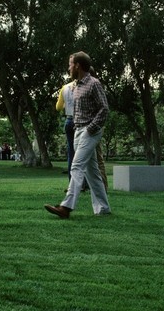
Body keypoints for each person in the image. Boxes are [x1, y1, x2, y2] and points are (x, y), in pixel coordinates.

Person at [45, 51, 111, 218]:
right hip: (78, 131)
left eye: (70, 64)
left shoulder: (94, 84)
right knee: (92, 172)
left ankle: (66, 207)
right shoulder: (75, 86)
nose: (69, 67)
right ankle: (103, 209)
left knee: (76, 166)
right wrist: (77, 128)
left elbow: (104, 109)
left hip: (90, 131)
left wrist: (91, 128)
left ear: (78, 66)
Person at [56, 78, 77, 182]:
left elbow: (58, 107)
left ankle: (71, 181)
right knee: (83, 153)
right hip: (79, 120)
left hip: (69, 120)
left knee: (71, 153)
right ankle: (84, 183)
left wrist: (66, 105)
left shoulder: (64, 88)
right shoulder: (82, 86)